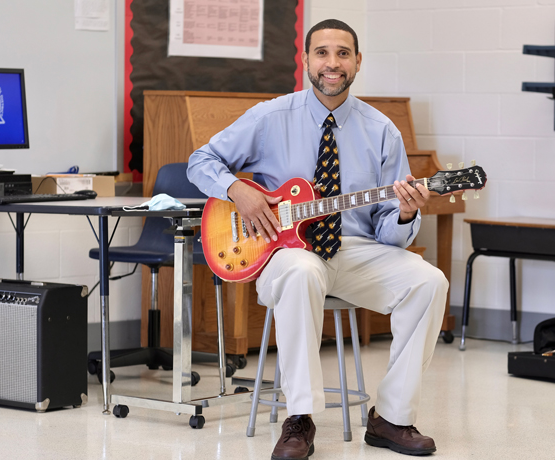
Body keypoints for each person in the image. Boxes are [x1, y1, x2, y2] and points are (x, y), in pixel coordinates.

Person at [187, 19, 449, 460]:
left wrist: (405, 212)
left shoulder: (382, 129)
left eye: (343, 54)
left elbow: (390, 235)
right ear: (306, 60)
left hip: (355, 250)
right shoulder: (271, 116)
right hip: (284, 252)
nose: (333, 64)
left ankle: (391, 419)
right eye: (322, 53)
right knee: (304, 270)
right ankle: (300, 419)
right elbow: (200, 160)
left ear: (358, 62)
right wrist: (238, 190)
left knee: (430, 282)